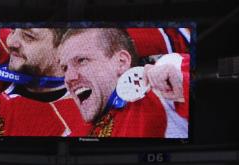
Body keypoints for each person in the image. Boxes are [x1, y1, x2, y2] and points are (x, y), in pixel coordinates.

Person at [57, 27, 189, 139]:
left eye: (81, 60)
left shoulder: (159, 85)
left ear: (121, 62)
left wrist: (181, 82)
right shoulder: (75, 135)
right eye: (65, 68)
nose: (68, 77)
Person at [0, 27, 87, 137]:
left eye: (29, 37)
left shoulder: (70, 124)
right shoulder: (1, 47)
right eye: (13, 30)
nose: (10, 42)